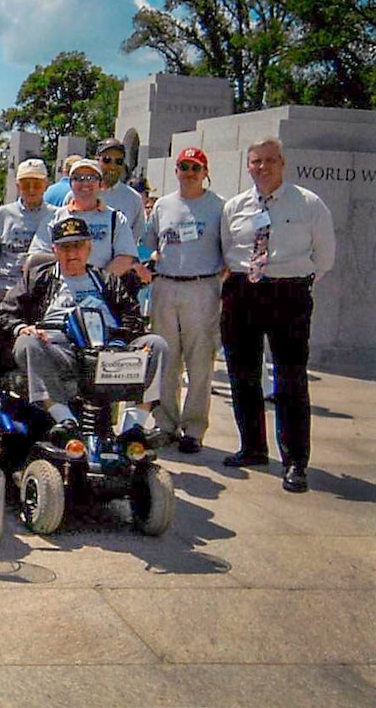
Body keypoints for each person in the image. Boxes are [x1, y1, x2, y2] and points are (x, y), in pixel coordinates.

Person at [219, 137, 335, 493]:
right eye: (256, 161)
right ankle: (253, 447)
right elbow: (227, 249)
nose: (263, 167)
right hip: (242, 291)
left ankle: (295, 461)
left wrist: (297, 281)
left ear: (283, 163)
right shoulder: (235, 207)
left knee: (290, 380)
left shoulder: (309, 204)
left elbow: (325, 255)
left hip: (289, 294)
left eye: (270, 160)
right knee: (242, 375)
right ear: (248, 166)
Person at [0, 216, 169, 438]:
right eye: (64, 248)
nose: (71, 254)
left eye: (77, 246)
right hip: (61, 352)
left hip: (109, 353)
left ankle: (133, 427)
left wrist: (118, 343)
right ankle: (65, 420)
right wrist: (21, 328)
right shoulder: (38, 277)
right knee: (26, 343)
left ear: (89, 248)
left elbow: (132, 317)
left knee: (157, 344)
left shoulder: (107, 280)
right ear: (54, 250)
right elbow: (5, 314)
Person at [141, 147, 224, 454]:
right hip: (165, 285)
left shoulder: (218, 207)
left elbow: (228, 252)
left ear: (205, 172)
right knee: (165, 358)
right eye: (183, 166)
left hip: (202, 287)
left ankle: (194, 428)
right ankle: (165, 422)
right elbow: (148, 246)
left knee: (200, 361)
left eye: (195, 167)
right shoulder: (163, 206)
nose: (188, 173)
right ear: (175, 170)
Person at [27, 158, 144, 280]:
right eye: (78, 178)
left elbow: (125, 257)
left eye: (91, 178)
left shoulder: (116, 219)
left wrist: (97, 283)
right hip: (61, 290)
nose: (85, 183)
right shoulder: (54, 217)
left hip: (102, 291)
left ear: (101, 184)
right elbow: (38, 256)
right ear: (71, 184)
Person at [0, 158, 56, 313]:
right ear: (17, 185)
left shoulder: (56, 216)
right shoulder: (2, 214)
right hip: (3, 296)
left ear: (46, 185)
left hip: (40, 300)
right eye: (25, 184)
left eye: (37, 184)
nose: (31, 189)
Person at [66, 139, 145, 243]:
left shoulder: (134, 199)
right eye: (107, 160)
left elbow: (133, 242)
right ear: (97, 160)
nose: (113, 166)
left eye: (119, 162)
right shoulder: (74, 196)